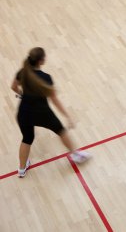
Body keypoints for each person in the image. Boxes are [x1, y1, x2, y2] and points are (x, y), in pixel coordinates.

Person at [11, 47, 91, 177]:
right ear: (41, 61)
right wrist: (67, 115)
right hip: (42, 113)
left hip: (24, 112)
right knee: (61, 131)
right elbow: (54, 100)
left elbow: (13, 86)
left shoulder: (22, 72)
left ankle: (21, 169)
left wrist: (22, 95)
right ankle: (76, 155)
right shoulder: (46, 78)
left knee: (27, 138)